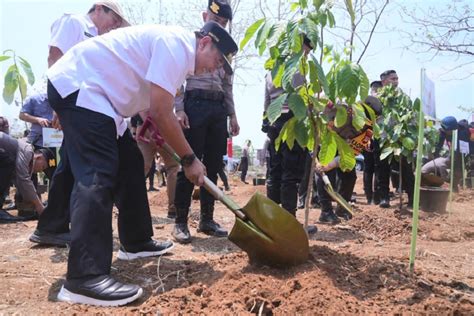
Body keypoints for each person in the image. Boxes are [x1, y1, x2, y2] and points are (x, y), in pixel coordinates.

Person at [41, 20, 237, 306]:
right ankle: (84, 278)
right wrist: (189, 159)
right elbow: (161, 108)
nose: (215, 68)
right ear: (204, 42)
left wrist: (148, 119)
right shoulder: (177, 45)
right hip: (82, 87)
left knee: (130, 163)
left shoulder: (175, 50)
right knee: (98, 172)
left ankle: (136, 242)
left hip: (105, 100)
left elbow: (149, 100)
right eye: (217, 60)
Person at [30, 0, 130, 247]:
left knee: (69, 164)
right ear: (98, 9)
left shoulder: (100, 38)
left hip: (89, 107)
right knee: (72, 165)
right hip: (73, 102)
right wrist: (59, 105)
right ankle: (52, 226)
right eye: (113, 19)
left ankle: (51, 226)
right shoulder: (74, 21)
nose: (115, 26)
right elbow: (55, 58)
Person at [172, 0, 239, 244]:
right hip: (194, 106)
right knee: (189, 161)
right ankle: (180, 222)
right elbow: (177, 82)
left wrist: (232, 115)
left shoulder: (225, 51)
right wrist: (179, 110)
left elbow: (228, 86)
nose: (219, 26)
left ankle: (207, 219)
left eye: (223, 24)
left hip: (217, 108)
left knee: (212, 163)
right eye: (215, 21)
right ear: (204, 16)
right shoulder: (191, 44)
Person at [263, 35, 313, 218]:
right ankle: (289, 218)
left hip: (274, 121)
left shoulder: (272, 69)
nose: (306, 56)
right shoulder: (296, 69)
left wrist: (266, 121)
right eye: (306, 52)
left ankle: (273, 217)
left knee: (275, 171)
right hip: (292, 121)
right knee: (290, 173)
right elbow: (303, 99)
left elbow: (267, 100)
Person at [377, 70, 414, 208]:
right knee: (383, 170)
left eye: (397, 78)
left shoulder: (403, 97)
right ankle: (384, 198)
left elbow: (411, 117)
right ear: (384, 81)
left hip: (401, 139)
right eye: (393, 78)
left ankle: (412, 199)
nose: (396, 81)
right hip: (384, 140)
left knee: (406, 170)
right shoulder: (378, 98)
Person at [0, 132, 54, 222]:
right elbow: (23, 180)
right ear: (39, 158)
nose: (41, 171)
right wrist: (39, 206)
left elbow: (19, 182)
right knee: (8, 162)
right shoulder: (27, 151)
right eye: (43, 167)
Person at [362, 81, 383, 204]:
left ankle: (373, 197)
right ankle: (371, 197)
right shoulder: (367, 102)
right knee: (371, 167)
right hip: (368, 137)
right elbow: (364, 123)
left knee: (373, 167)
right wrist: (368, 139)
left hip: (376, 137)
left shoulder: (382, 103)